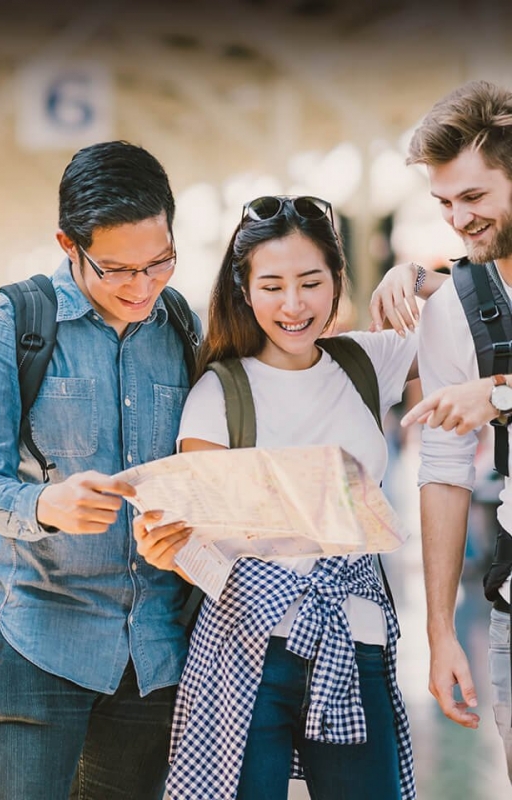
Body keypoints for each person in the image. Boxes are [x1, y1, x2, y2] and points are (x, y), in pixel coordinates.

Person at [134, 195, 417, 799]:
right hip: (245, 647)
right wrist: (172, 549)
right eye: (272, 286)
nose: (294, 306)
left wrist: (416, 274)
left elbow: (476, 331)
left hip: (354, 639)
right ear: (245, 290)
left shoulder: (368, 362)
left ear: (338, 281)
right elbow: (199, 541)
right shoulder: (220, 391)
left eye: (312, 282)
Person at [0, 140, 194, 799]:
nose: (141, 287)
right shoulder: (10, 323)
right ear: (68, 243)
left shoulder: (185, 327)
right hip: (38, 640)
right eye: (117, 269)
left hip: (155, 654)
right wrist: (44, 505)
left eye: (159, 263)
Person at [373, 79, 512, 782]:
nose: (459, 219)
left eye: (475, 197)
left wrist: (499, 393)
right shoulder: (453, 306)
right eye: (446, 202)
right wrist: (439, 637)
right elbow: (444, 471)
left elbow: (488, 403)